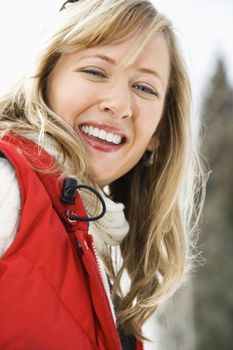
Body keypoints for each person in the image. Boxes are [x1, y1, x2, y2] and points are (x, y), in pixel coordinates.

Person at [0, 0, 205, 349]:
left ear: (159, 133)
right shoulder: (8, 185)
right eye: (96, 71)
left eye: (144, 87)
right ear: (47, 77)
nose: (120, 105)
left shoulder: (100, 252)